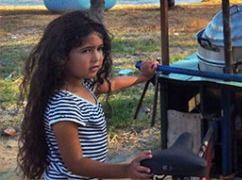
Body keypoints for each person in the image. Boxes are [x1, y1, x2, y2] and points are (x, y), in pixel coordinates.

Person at [17, 10, 159, 179]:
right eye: (86, 51)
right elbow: (76, 163)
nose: (97, 57)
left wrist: (141, 78)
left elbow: (110, 84)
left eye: (99, 49)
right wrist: (126, 170)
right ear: (60, 57)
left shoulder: (83, 85)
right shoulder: (65, 106)